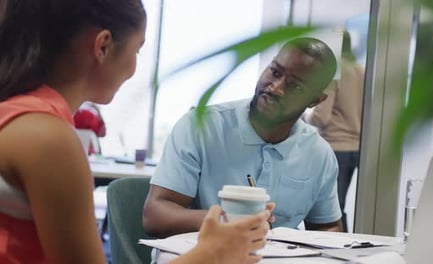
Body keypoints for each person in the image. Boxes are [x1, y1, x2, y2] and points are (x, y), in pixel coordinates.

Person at [0, 1, 268, 263]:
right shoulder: (48, 139)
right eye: (137, 50)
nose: (133, 68)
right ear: (103, 45)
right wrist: (211, 254)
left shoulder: (18, 114)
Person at [143, 37, 343, 241]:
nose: (276, 88)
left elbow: (327, 227)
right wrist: (227, 221)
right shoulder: (200, 126)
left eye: (296, 87)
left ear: (315, 100)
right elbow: (155, 216)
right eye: (275, 72)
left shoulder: (319, 153)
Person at [306, 31, 364, 232]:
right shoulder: (361, 70)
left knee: (332, 212)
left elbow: (321, 117)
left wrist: (303, 114)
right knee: (340, 207)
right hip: (358, 147)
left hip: (336, 146)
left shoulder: (335, 73)